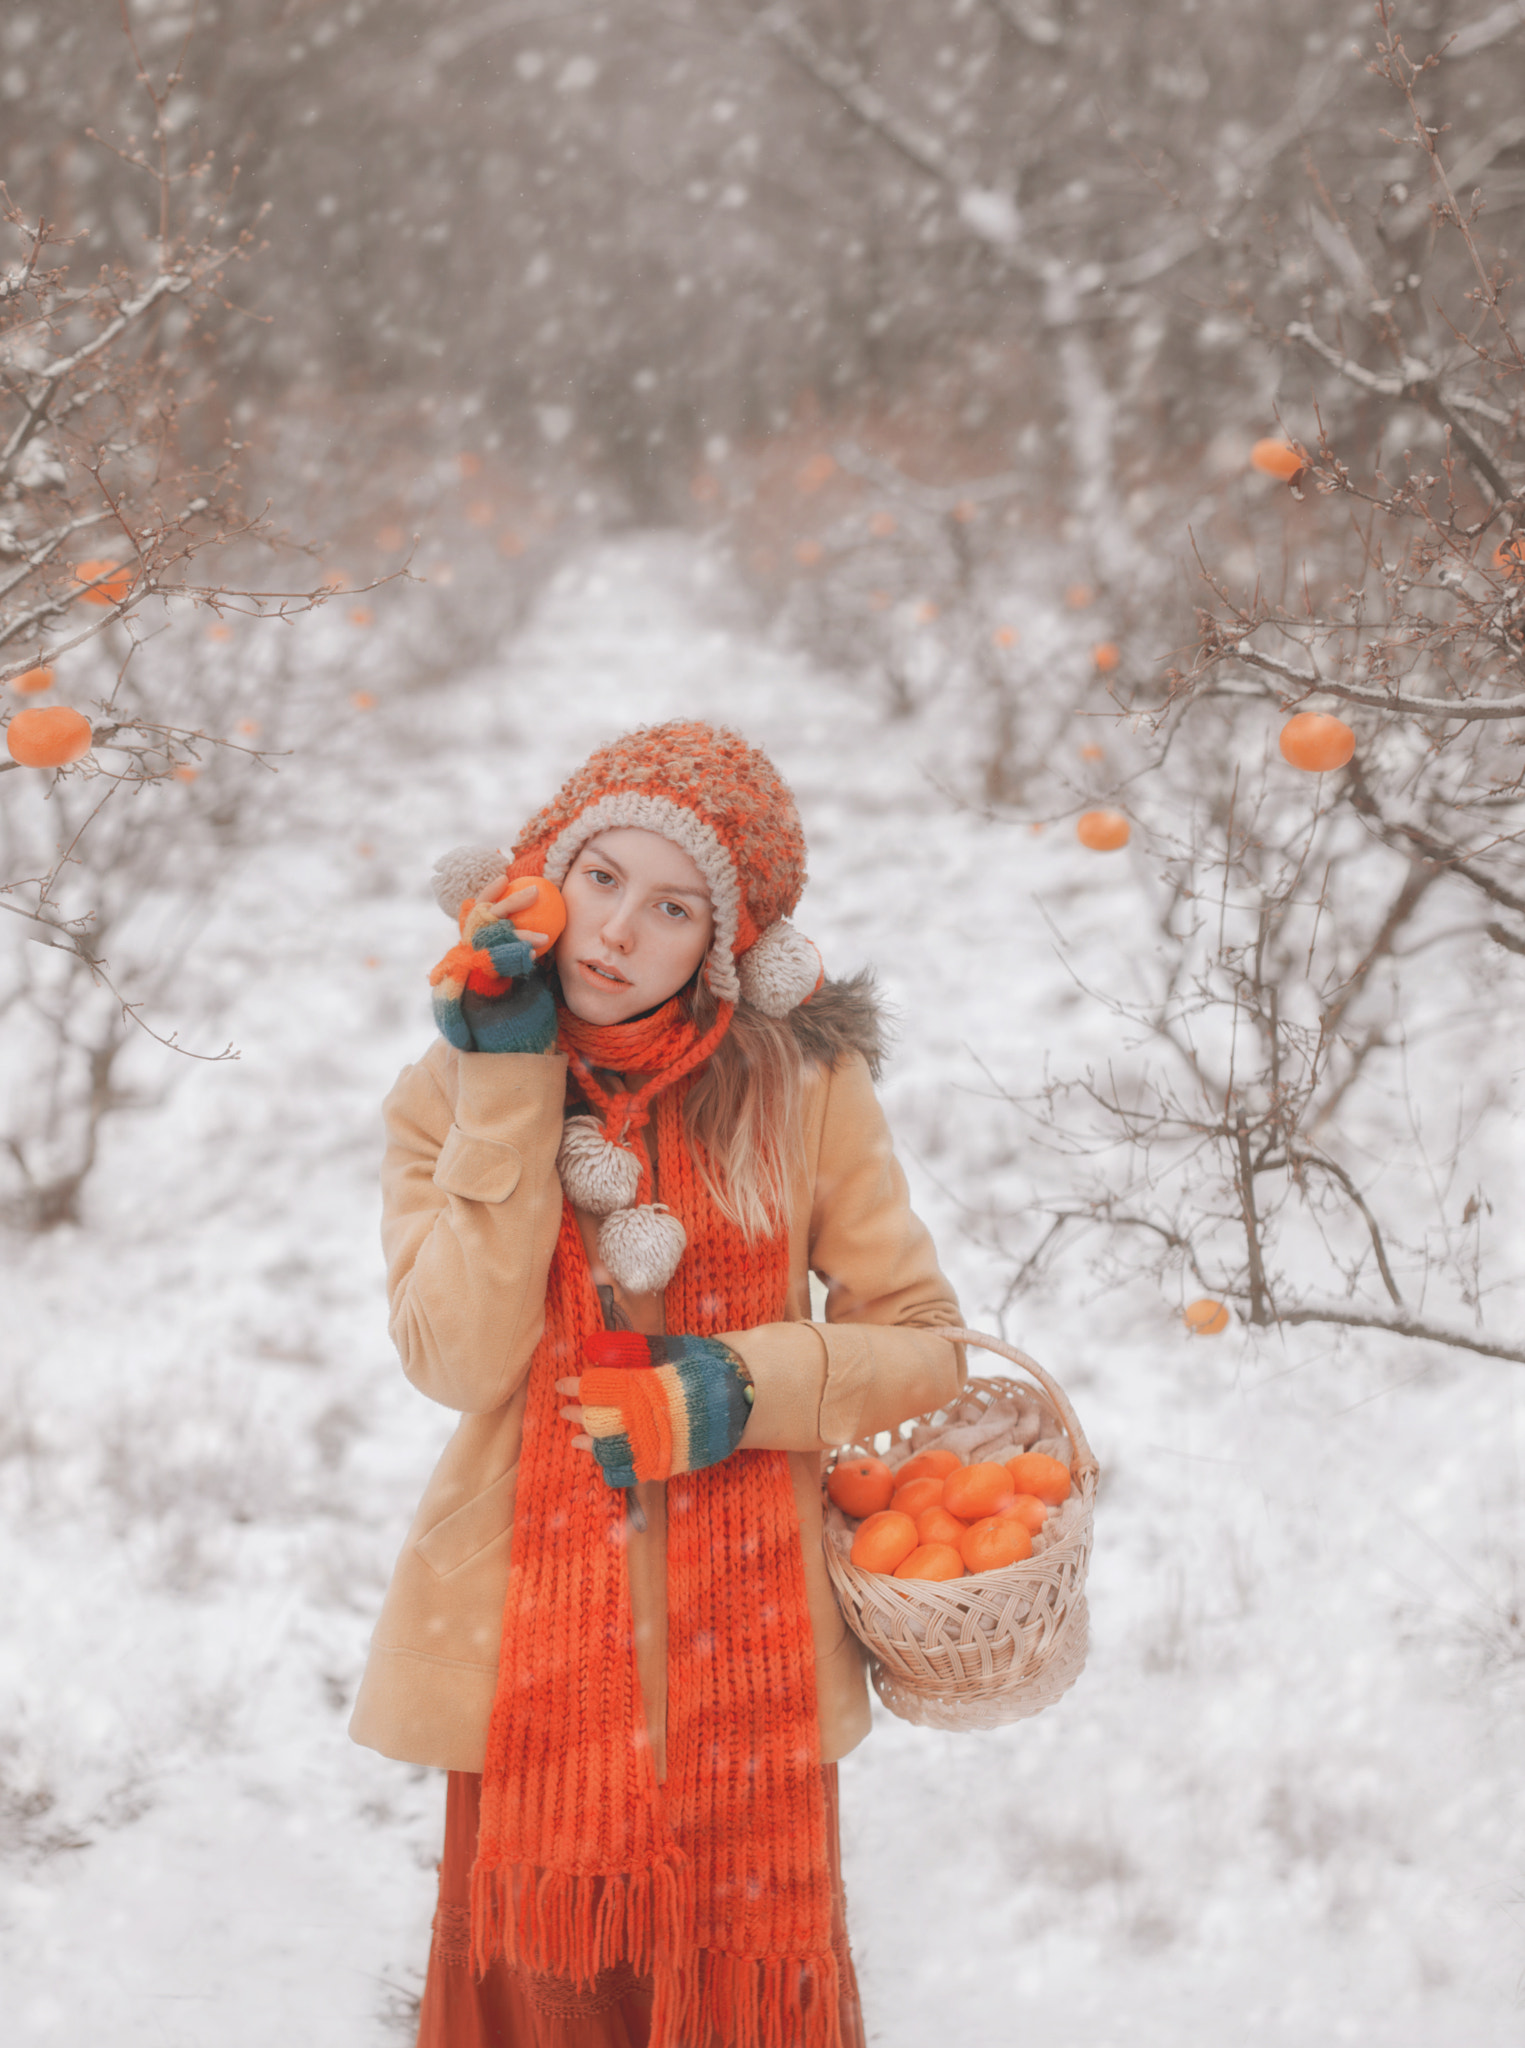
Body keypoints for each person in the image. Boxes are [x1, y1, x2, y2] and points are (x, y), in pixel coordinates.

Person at [349, 720, 966, 2048]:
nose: (617, 929)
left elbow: (921, 1340)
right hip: (533, 1665)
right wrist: (511, 1087)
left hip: (747, 1667)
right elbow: (453, 1360)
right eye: (600, 877)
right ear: (538, 876)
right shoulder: (445, 1092)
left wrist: (746, 1383)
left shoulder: (801, 1088)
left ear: (724, 942)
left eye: (672, 905)